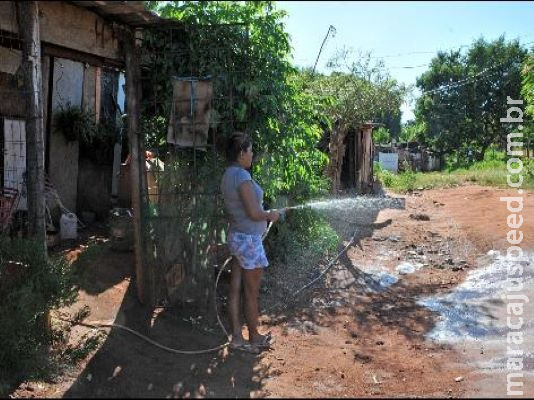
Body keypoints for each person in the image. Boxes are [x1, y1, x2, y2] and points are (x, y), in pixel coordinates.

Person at [220, 132, 280, 353]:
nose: (252, 154)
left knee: (236, 288)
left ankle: (237, 337)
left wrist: (264, 215)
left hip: (237, 237)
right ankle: (254, 336)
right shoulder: (242, 177)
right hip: (248, 241)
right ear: (241, 152)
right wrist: (270, 215)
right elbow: (254, 213)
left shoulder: (228, 174)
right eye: (250, 150)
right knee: (251, 292)